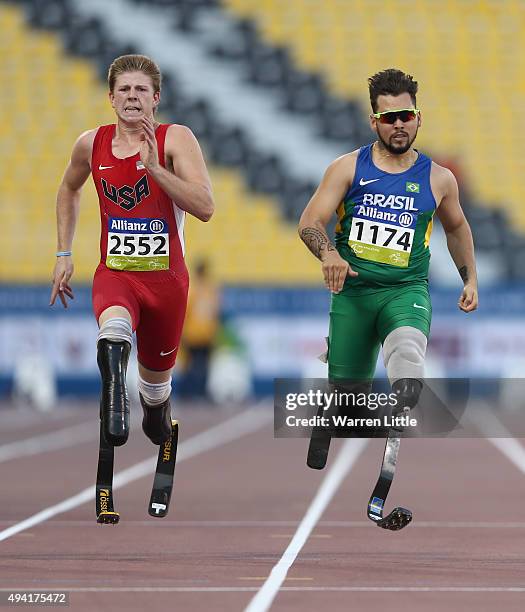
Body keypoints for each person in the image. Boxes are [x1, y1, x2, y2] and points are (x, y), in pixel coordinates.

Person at [49, 54, 214, 448]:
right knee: (113, 332)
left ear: (156, 98)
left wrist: (156, 169)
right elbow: (69, 188)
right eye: (124, 89)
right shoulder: (90, 144)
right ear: (111, 97)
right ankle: (113, 401)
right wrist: (62, 253)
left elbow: (205, 207)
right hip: (116, 274)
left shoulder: (176, 138)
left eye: (141, 89)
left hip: (166, 284)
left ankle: (155, 410)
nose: (132, 97)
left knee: (156, 401)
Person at [298, 68, 477, 429]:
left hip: (405, 290)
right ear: (373, 122)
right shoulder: (347, 168)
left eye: (406, 116)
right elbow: (309, 222)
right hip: (354, 293)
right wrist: (329, 255)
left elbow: (456, 228)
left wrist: (470, 278)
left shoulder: (438, 178)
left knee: (407, 351)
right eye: (388, 117)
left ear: (418, 118)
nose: (399, 124)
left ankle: (406, 396)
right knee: (349, 402)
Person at [179, 258, 221, 400]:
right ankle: (190, 393)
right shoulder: (206, 290)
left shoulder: (201, 289)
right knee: (194, 365)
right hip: (197, 333)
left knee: (200, 365)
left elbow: (214, 313)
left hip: (199, 333)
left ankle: (196, 393)